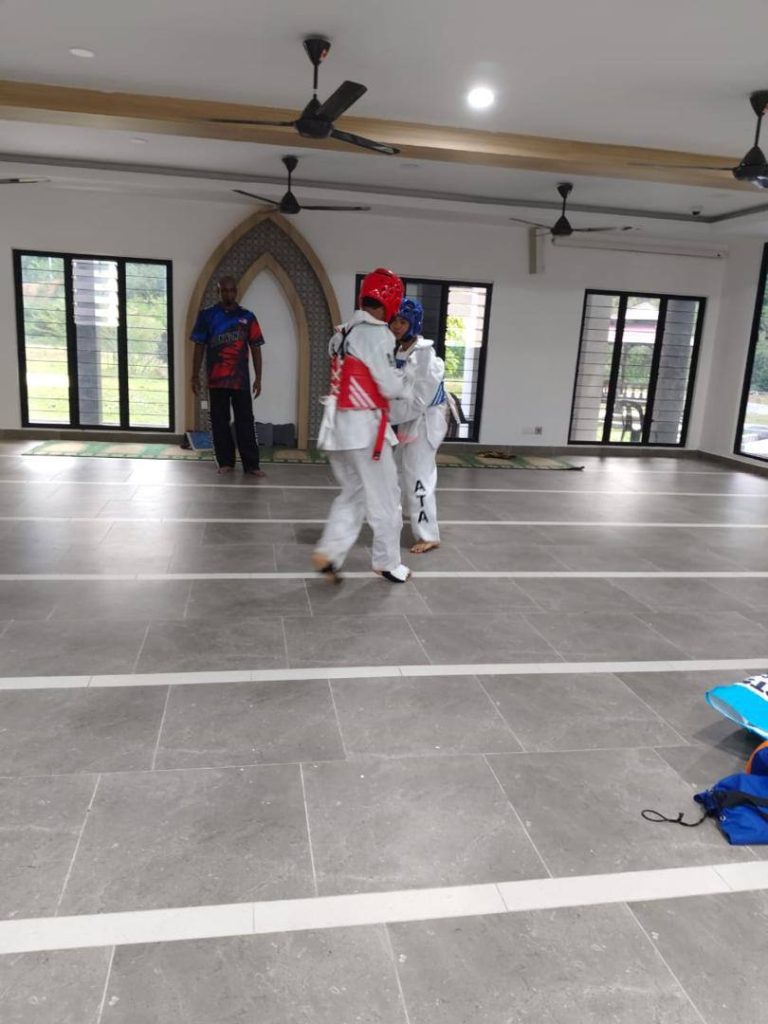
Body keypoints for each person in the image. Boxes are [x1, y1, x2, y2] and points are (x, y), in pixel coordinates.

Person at [312, 268, 415, 584]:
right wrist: (406, 378)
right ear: (390, 301)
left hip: (338, 428)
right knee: (386, 497)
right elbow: (389, 386)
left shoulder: (342, 333)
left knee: (353, 493)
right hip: (366, 430)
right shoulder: (377, 334)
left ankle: (329, 553)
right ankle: (387, 562)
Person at [389, 298, 450, 553]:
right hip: (409, 419)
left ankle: (428, 534)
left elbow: (418, 401)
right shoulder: (401, 351)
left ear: (413, 324)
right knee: (400, 470)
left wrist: (383, 414)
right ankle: (413, 515)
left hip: (424, 422)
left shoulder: (424, 355)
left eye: (403, 322)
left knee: (418, 475)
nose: (397, 326)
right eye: (394, 321)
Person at [190, 275, 265, 476]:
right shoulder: (207, 316)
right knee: (219, 422)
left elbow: (256, 347)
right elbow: (199, 347)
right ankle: (225, 462)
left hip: (240, 381)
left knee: (245, 421)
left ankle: (252, 465)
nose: (228, 294)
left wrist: (258, 377)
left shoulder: (248, 317)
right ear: (218, 292)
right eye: (224, 290)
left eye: (231, 290)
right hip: (216, 381)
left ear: (236, 292)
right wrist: (194, 375)